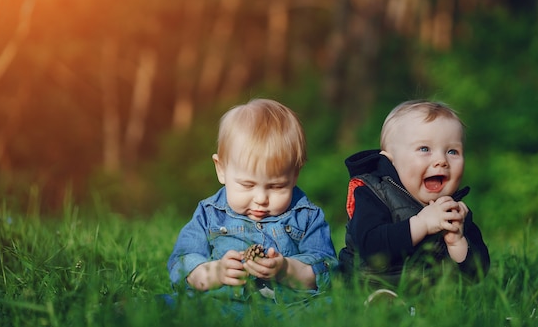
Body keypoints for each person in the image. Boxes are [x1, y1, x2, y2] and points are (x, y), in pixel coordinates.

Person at [167, 99, 338, 317]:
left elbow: (328, 270)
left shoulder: (306, 217)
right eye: (247, 185)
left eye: (276, 186)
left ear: (295, 174)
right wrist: (216, 272)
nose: (261, 199)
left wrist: (286, 270)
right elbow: (182, 262)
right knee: (175, 305)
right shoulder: (210, 214)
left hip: (287, 310)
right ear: (221, 169)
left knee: (330, 305)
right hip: (221, 305)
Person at [338, 100, 490, 291]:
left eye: (452, 151)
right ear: (391, 161)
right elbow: (370, 247)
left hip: (426, 296)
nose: (441, 160)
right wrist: (422, 224)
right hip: (370, 286)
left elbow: (476, 274)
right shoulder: (373, 194)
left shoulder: (454, 211)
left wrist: (457, 241)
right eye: (424, 149)